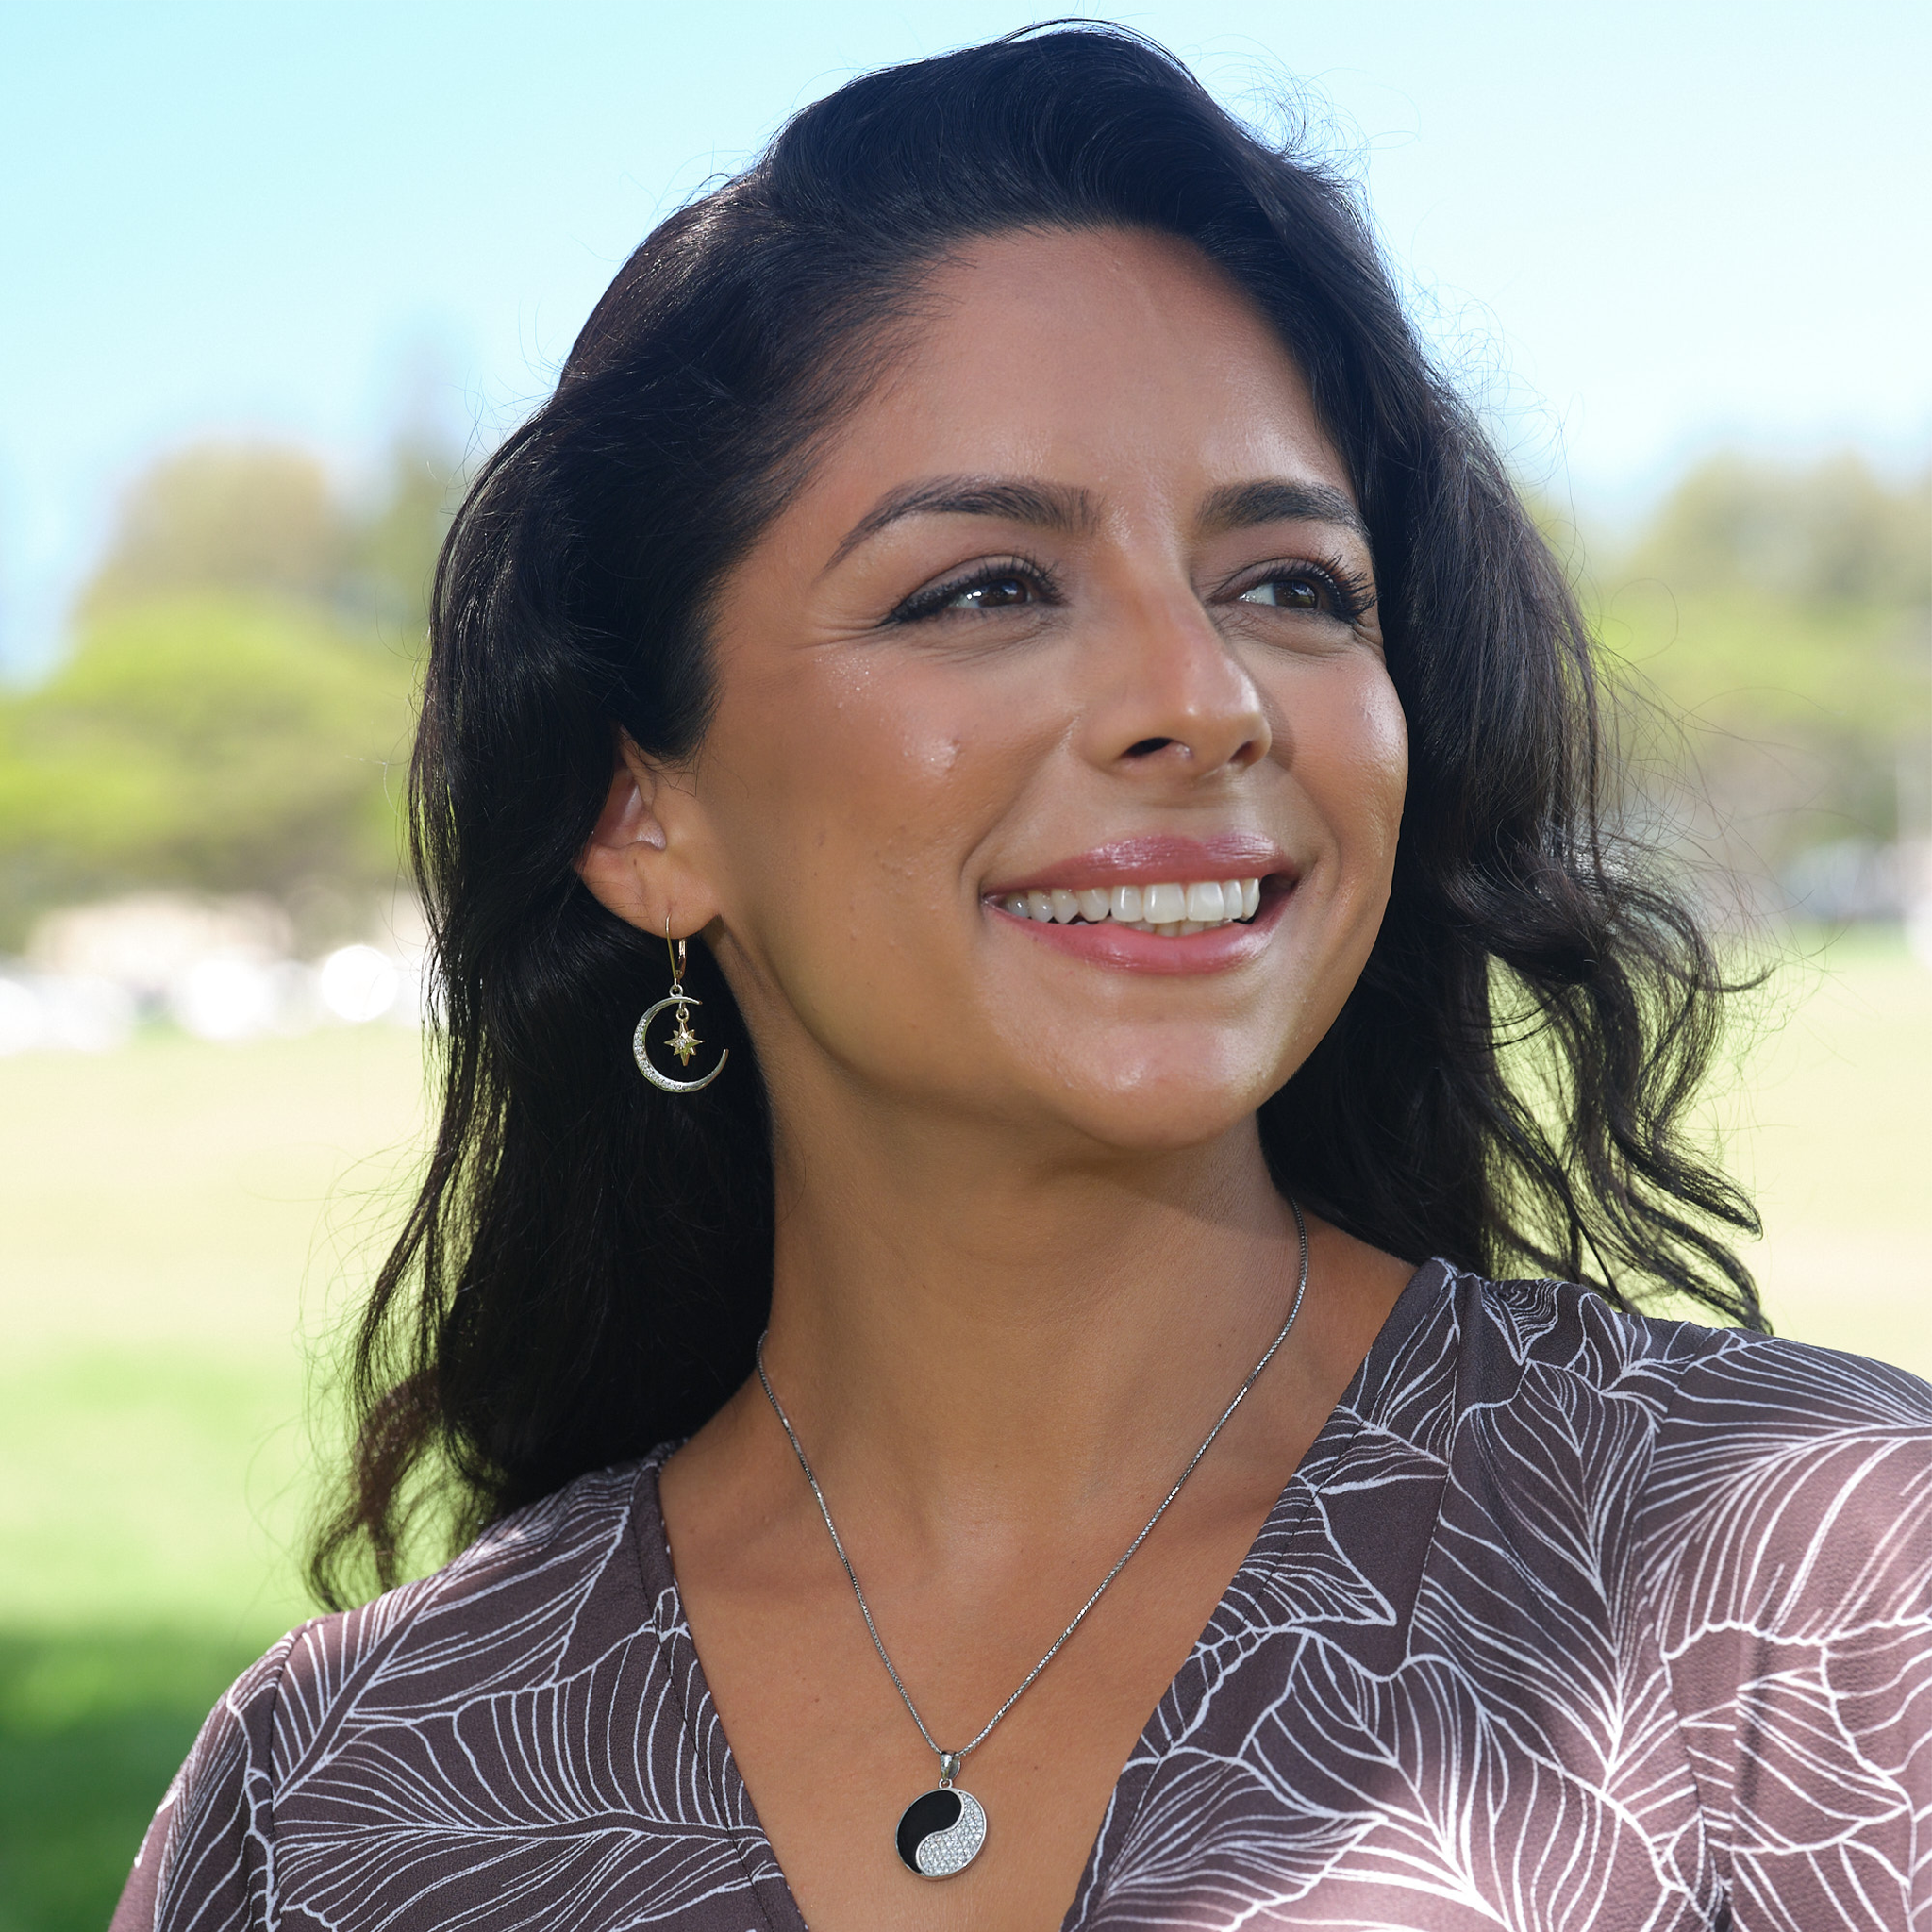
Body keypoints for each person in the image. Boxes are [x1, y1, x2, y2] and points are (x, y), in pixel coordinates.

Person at [113, 26, 1931, 1932]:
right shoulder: (335, 1797)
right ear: (641, 809)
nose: (1201, 696)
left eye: (1293, 585)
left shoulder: (1817, 1601)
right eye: (983, 585)